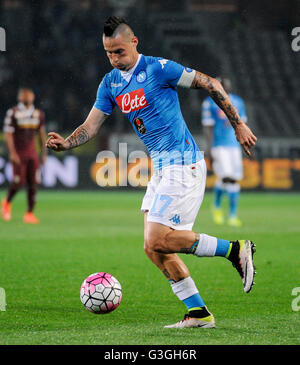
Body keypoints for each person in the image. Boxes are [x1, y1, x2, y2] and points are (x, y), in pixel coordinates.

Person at [46, 16, 257, 328]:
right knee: (152, 247)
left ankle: (236, 250)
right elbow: (91, 125)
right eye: (108, 53)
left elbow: (211, 83)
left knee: (159, 239)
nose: (114, 58)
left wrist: (238, 124)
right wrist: (67, 143)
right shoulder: (110, 83)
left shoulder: (159, 69)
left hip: (182, 163)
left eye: (119, 51)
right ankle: (198, 313)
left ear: (134, 42)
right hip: (161, 169)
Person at [202, 77, 247, 227]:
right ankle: (232, 215)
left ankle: (217, 206)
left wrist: (245, 144)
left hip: (234, 146)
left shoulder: (239, 102)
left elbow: (242, 125)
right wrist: (209, 148)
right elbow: (208, 127)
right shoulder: (209, 103)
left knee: (228, 179)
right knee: (229, 178)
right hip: (219, 146)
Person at [1, 87, 47, 224]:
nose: (27, 97)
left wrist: (44, 153)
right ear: (20, 97)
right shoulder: (13, 113)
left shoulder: (38, 114)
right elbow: (8, 134)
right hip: (19, 153)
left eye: (29, 95)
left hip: (32, 153)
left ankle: (29, 213)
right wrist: (12, 153)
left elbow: (41, 134)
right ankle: (6, 203)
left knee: (33, 183)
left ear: (33, 97)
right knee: (18, 181)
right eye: (24, 95)